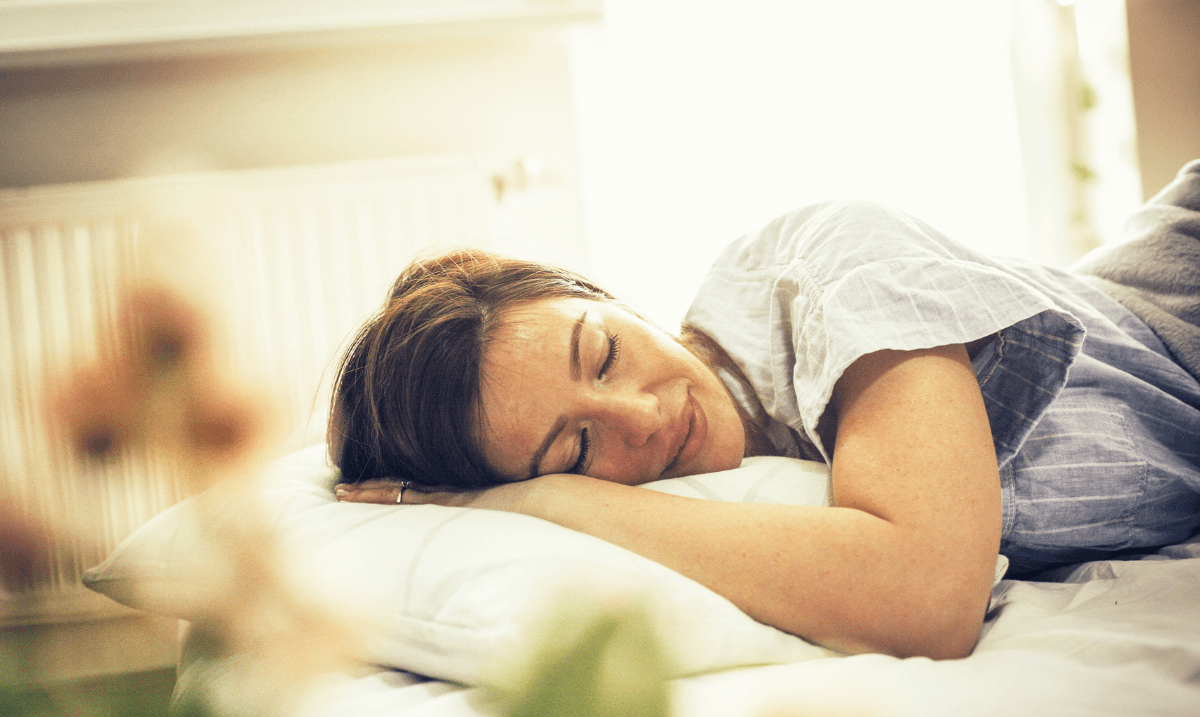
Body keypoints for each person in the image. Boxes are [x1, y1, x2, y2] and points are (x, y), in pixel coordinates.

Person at [330, 163, 1200, 661]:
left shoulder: (829, 264)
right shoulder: (749, 479)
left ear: (609, 298)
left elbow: (928, 596)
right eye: (578, 449)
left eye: (605, 353)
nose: (641, 415)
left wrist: (551, 493)